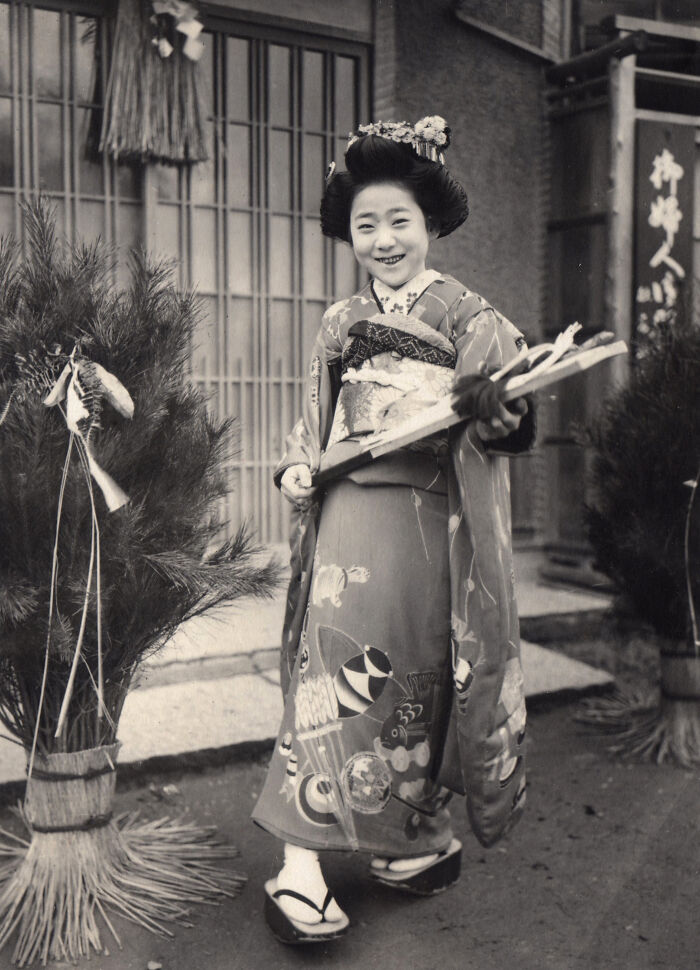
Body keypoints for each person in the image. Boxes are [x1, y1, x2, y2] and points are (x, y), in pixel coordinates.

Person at [252, 116, 534, 945]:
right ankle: (298, 861)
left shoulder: (470, 315)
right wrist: (297, 468)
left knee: (416, 684)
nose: (382, 240)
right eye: (365, 224)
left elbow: (508, 421)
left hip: (431, 524)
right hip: (352, 521)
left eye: (398, 221)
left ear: (432, 224)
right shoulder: (339, 323)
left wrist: (500, 412)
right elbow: (315, 422)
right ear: (350, 232)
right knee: (334, 672)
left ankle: (400, 838)